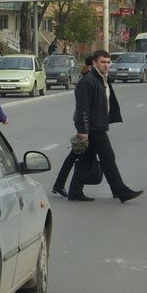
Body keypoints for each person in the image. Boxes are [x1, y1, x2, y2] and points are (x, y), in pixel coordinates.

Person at [66, 49, 142, 203]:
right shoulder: (88, 81)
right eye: (103, 62)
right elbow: (82, 108)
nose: (106, 65)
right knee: (108, 157)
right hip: (93, 128)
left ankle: (74, 191)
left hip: (99, 125)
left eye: (108, 62)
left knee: (86, 160)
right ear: (94, 63)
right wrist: (83, 131)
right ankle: (121, 191)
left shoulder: (101, 79)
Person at [51, 56, 93, 197]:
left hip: (88, 123)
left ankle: (59, 184)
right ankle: (118, 189)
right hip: (86, 124)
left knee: (75, 155)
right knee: (78, 154)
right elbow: (83, 106)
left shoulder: (89, 78)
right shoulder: (86, 80)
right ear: (91, 66)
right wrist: (83, 128)